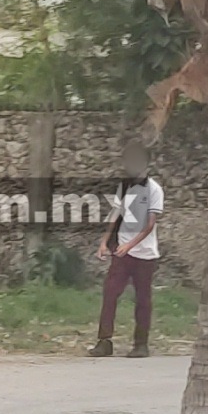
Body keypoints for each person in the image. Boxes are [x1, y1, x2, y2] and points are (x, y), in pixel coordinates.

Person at [90, 140, 163, 358]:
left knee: (142, 299)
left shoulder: (153, 189)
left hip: (144, 253)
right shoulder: (124, 186)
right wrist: (104, 241)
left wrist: (130, 245)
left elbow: (150, 224)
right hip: (122, 250)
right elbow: (115, 215)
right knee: (110, 292)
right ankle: (104, 341)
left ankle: (141, 343)